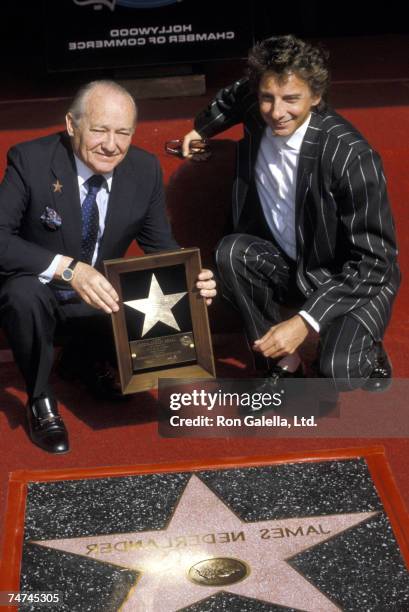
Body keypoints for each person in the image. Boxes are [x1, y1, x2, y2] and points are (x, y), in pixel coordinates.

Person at [0, 80, 216, 454]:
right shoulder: (30, 160)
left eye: (123, 133)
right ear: (72, 125)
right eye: (99, 130)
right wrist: (69, 269)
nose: (111, 145)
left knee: (145, 298)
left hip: (98, 299)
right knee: (22, 293)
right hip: (41, 293)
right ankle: (40, 398)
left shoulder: (144, 169)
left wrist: (194, 278)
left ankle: (81, 360)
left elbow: (161, 248)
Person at [183, 34, 400, 394]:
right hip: (293, 264)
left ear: (316, 97)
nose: (277, 111)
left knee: (341, 372)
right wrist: (202, 126)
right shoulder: (259, 110)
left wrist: (304, 321)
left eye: (291, 99)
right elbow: (236, 95)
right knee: (231, 251)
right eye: (267, 97)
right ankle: (283, 363)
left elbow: (376, 261)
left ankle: (367, 347)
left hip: (351, 276)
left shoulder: (350, 156)